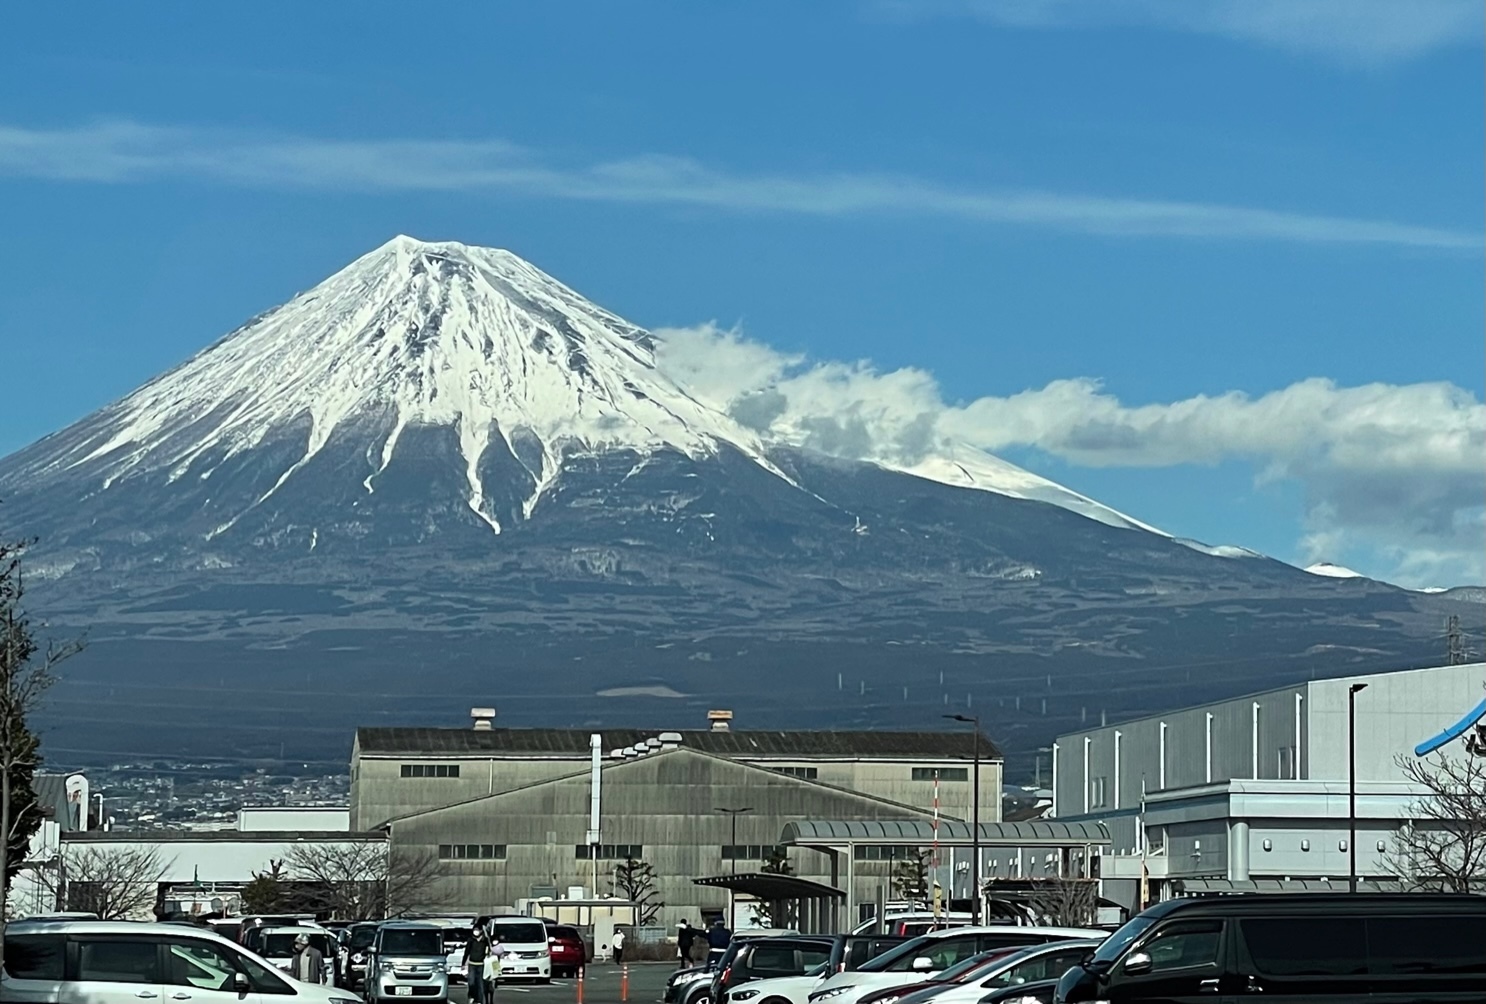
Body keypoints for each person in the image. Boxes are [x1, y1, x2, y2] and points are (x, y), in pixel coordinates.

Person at [464, 928, 489, 1004]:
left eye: (478, 930)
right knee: (471, 982)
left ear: (481, 931)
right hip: (472, 964)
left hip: (481, 964)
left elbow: (489, 950)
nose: (476, 932)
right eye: (475, 930)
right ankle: (472, 996)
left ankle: (480, 1000)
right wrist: (463, 964)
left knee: (480, 984)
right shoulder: (471, 940)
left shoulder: (485, 941)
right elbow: (467, 952)